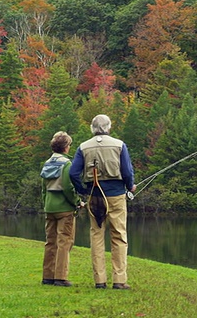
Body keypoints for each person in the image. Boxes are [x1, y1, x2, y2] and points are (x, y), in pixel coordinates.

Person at [69, 114, 136, 290]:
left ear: (92, 128)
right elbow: (127, 172)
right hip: (116, 195)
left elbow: (73, 173)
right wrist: (130, 186)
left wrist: (83, 190)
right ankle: (119, 280)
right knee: (119, 236)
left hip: (94, 196)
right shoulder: (119, 145)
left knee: (97, 236)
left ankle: (100, 281)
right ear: (108, 127)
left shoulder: (83, 147)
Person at [41, 131, 83, 287]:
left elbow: (43, 188)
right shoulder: (66, 164)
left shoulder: (47, 163)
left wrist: (45, 204)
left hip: (49, 207)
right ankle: (60, 277)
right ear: (66, 147)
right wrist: (77, 202)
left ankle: (47, 276)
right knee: (64, 242)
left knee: (50, 242)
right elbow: (67, 187)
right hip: (64, 209)